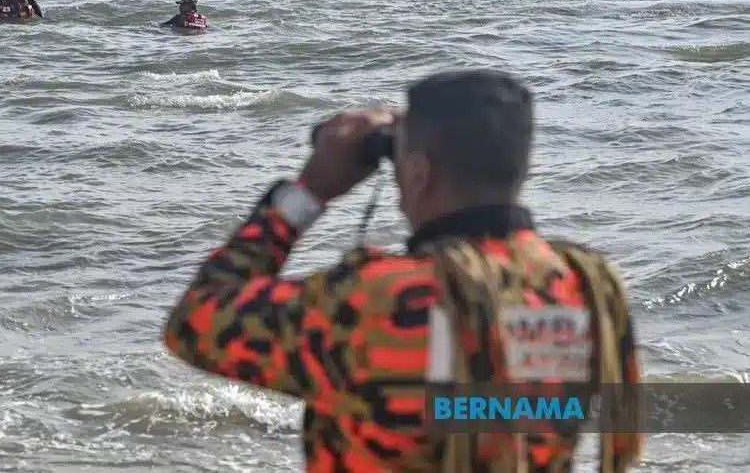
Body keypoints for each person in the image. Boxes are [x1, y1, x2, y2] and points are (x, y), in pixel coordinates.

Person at [163, 69, 641, 472]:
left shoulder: (374, 300)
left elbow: (195, 322)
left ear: (417, 172)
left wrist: (308, 192)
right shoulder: (586, 287)